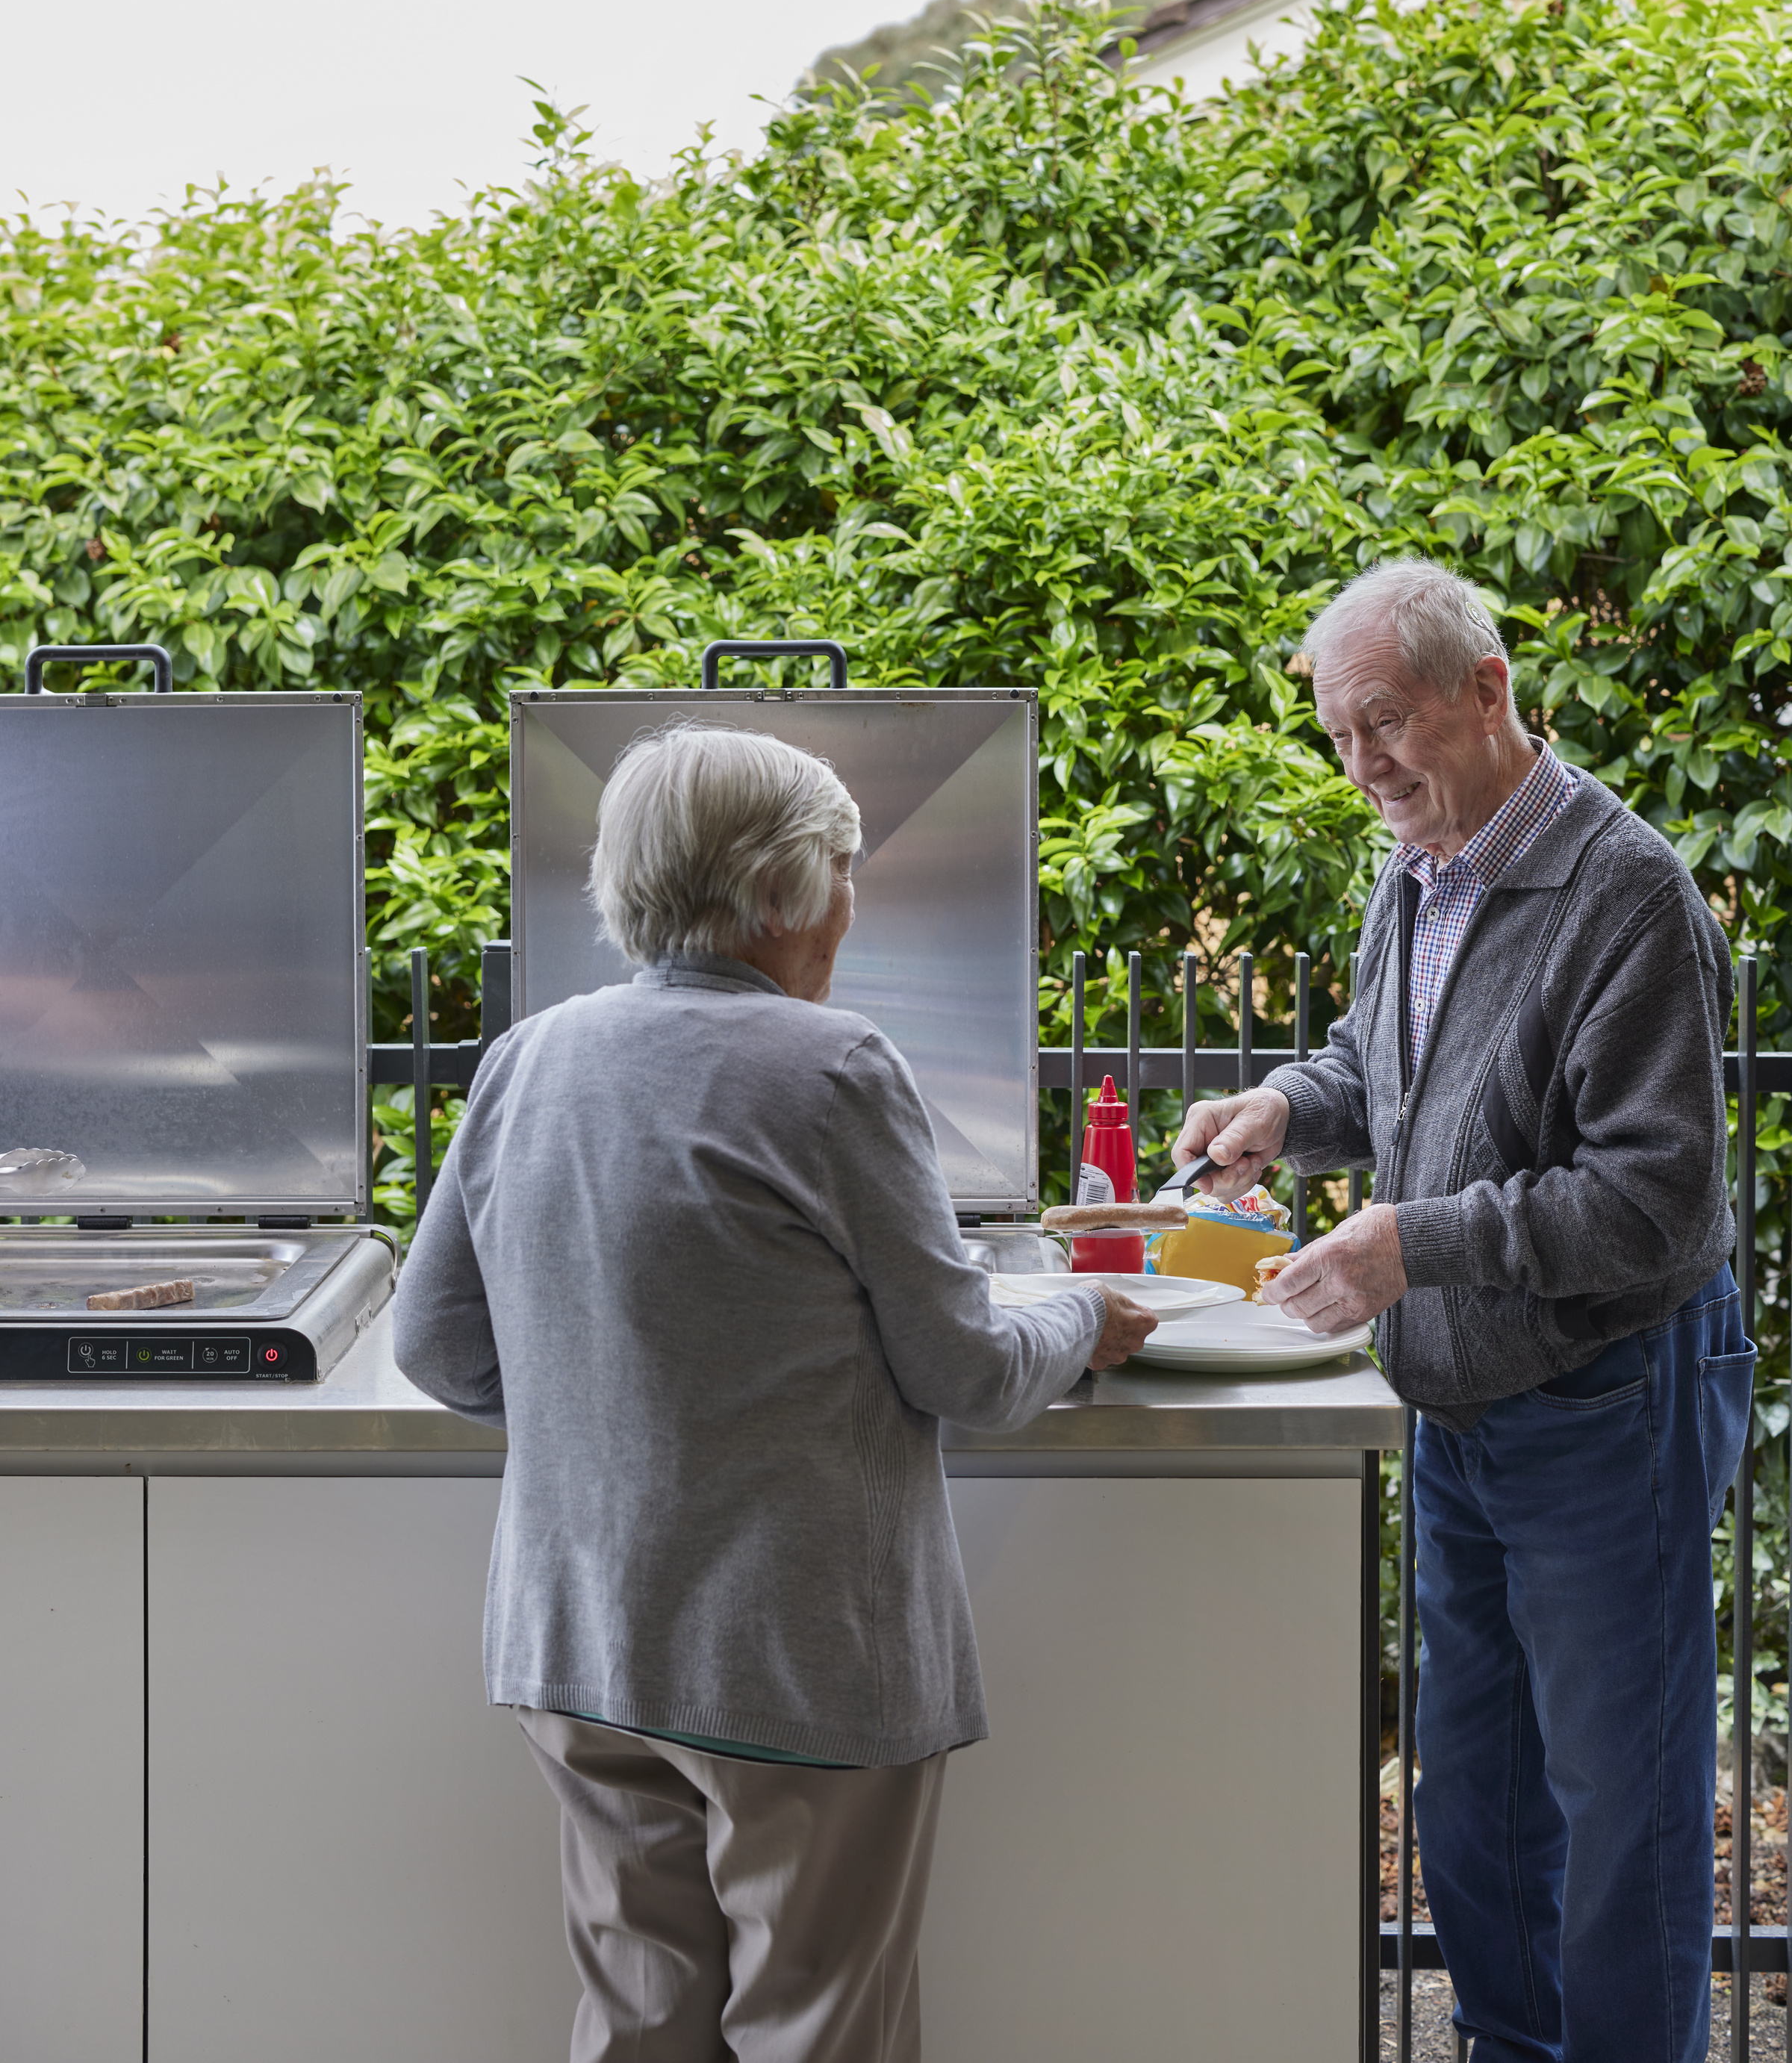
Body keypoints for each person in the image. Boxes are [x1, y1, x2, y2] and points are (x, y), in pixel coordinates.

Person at [394, 721, 1154, 2063]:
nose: (852, 909)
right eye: (846, 870)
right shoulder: (835, 1068)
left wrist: (629, 1387)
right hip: (795, 1665)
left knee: (638, 2029)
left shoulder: (528, 1060)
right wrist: (1086, 1311)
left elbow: (440, 1346)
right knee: (818, 2029)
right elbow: (968, 1367)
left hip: (581, 1648)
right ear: (779, 892)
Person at [1172, 558, 1752, 2063]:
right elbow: (1385, 1066)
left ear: (1487, 689)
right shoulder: (1421, 865)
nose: (1364, 767)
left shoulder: (1627, 893)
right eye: (1340, 736)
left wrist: (1403, 1244)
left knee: (1618, 1802)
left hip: (1602, 1396)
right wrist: (1281, 1106)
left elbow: (1650, 1203)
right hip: (1466, 1406)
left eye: (1386, 725)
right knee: (1472, 1789)